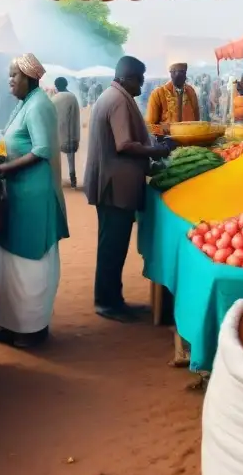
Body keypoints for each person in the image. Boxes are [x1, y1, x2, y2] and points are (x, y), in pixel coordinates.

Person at [0, 54, 68, 349]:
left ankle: (32, 329)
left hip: (34, 197)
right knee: (9, 263)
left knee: (32, 264)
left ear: (30, 77)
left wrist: (3, 168)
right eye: (10, 75)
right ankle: (7, 325)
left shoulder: (39, 105)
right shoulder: (24, 104)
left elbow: (41, 150)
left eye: (14, 75)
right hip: (16, 195)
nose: (10, 80)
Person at [86, 56, 170, 322]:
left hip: (112, 184)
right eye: (140, 78)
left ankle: (112, 298)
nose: (143, 83)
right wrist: (156, 150)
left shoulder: (113, 96)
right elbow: (124, 144)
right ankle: (108, 303)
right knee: (112, 246)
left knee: (111, 245)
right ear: (128, 77)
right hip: (115, 187)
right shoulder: (119, 101)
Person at [146, 62, 200, 129]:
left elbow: (196, 117)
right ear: (171, 74)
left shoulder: (190, 91)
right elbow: (150, 125)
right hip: (166, 137)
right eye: (174, 72)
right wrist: (165, 129)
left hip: (189, 135)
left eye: (182, 72)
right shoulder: (158, 93)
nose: (178, 75)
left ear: (185, 74)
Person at [51, 77, 81, 188]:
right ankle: (73, 180)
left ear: (56, 86)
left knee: (56, 158)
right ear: (66, 84)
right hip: (70, 134)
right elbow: (76, 117)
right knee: (70, 158)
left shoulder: (53, 99)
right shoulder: (73, 97)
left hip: (57, 135)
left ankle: (56, 180)